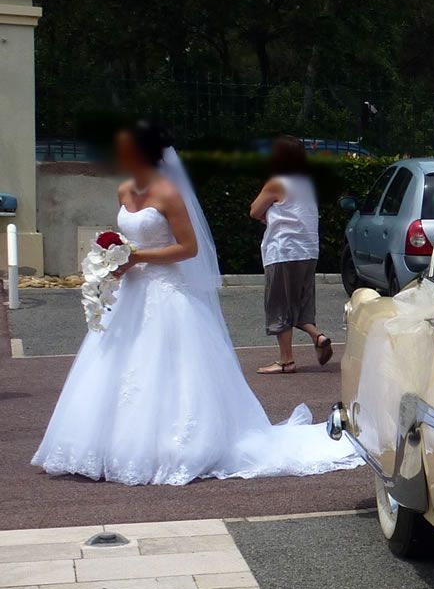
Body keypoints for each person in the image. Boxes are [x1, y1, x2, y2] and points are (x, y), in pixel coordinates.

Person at [30, 121, 361, 486]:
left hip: (165, 289)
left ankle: (173, 445)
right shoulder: (124, 189)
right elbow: (127, 238)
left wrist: (137, 257)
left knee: (171, 367)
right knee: (111, 362)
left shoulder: (168, 193)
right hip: (130, 292)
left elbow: (188, 248)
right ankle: (101, 444)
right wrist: (114, 259)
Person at [251, 137, 331, 374]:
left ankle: (286, 360)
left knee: (279, 304)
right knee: (300, 302)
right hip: (308, 249)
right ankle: (318, 336)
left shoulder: (277, 182)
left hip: (283, 249)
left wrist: (268, 215)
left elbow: (254, 210)